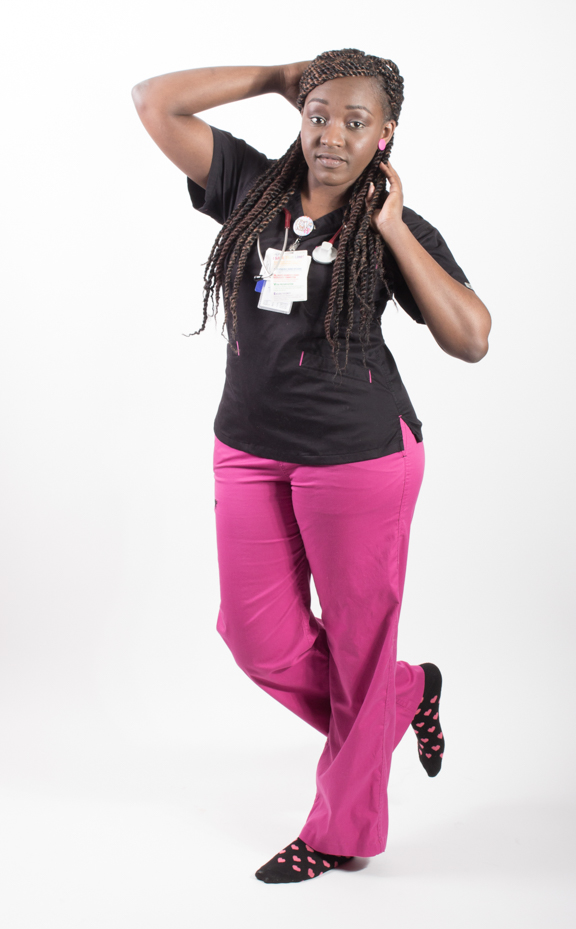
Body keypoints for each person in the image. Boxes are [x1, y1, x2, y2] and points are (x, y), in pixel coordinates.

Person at [131, 48, 491, 884]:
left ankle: (341, 830)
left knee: (359, 649)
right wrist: (274, 75)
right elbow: (153, 101)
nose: (331, 134)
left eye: (355, 122)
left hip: (357, 457)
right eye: (319, 114)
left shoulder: (393, 227)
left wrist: (393, 228)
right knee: (257, 637)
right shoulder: (251, 186)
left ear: (385, 135)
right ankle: (405, 693)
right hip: (248, 448)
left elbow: (472, 338)